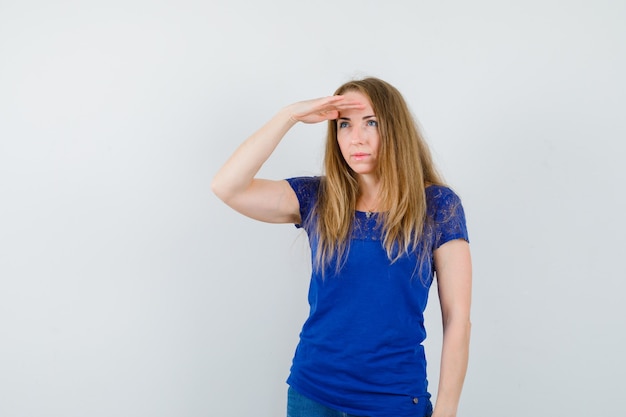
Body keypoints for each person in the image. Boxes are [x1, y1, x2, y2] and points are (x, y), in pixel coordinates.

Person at [212, 77, 472, 417]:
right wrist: (289, 115)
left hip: (392, 399)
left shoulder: (437, 205)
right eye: (344, 125)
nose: (356, 138)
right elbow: (227, 186)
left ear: (395, 129)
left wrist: (446, 410)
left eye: (372, 123)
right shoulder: (320, 199)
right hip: (312, 394)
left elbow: (457, 320)